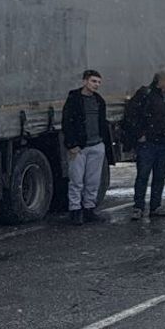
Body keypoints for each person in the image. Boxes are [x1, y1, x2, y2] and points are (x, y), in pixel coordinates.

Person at [128, 69, 165, 220]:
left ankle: (156, 206)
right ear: (160, 82)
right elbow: (132, 114)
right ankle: (138, 207)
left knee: (160, 176)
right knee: (143, 175)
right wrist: (140, 135)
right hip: (148, 143)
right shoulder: (146, 95)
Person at [62, 69, 112, 225]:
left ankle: (89, 208)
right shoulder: (74, 99)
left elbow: (102, 123)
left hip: (96, 145)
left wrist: (103, 143)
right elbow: (67, 122)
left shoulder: (99, 101)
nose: (96, 85)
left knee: (93, 180)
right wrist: (72, 144)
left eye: (98, 82)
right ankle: (75, 210)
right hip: (79, 147)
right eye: (93, 81)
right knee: (76, 180)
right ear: (84, 81)